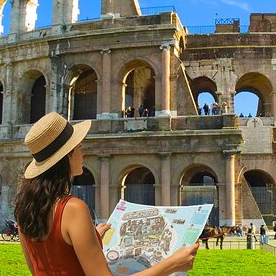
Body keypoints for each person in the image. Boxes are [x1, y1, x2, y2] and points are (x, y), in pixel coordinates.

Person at [14, 112, 198, 276]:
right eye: (78, 147)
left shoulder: (24, 208)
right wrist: (172, 264)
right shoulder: (73, 209)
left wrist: (91, 237)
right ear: (66, 157)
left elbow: (40, 266)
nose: (83, 153)